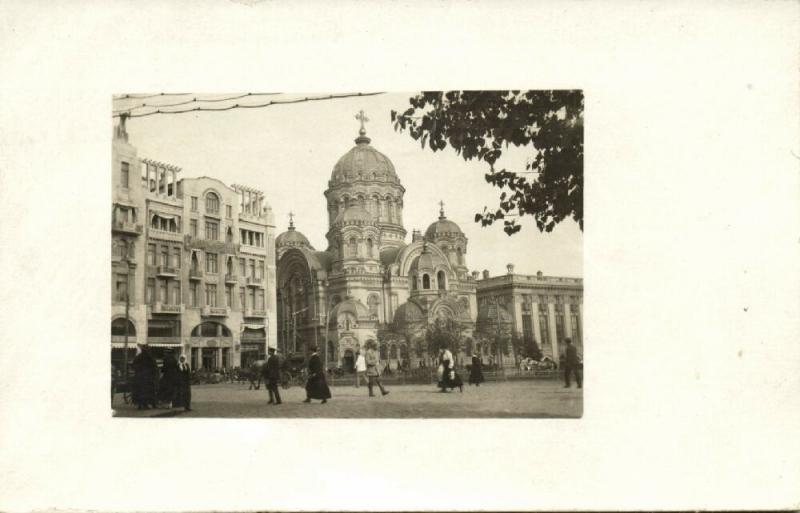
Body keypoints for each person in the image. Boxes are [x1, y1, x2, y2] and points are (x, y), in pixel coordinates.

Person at [131, 344, 158, 409]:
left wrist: (138, 369)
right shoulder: (150, 357)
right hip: (147, 378)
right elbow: (154, 367)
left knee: (140, 391)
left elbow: (133, 365)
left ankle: (140, 405)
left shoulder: (138, 357)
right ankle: (146, 404)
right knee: (148, 391)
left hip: (140, 377)